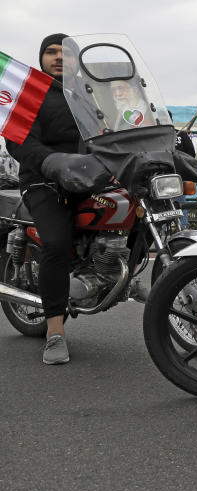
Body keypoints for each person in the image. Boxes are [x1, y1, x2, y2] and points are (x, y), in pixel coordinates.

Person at [5, 34, 107, 364]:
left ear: (79, 61)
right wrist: (53, 162)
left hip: (92, 182)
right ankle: (55, 331)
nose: (59, 57)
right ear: (41, 58)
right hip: (45, 184)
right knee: (56, 244)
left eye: (67, 53)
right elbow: (18, 143)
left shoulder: (91, 96)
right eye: (51, 52)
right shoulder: (30, 96)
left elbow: (113, 134)